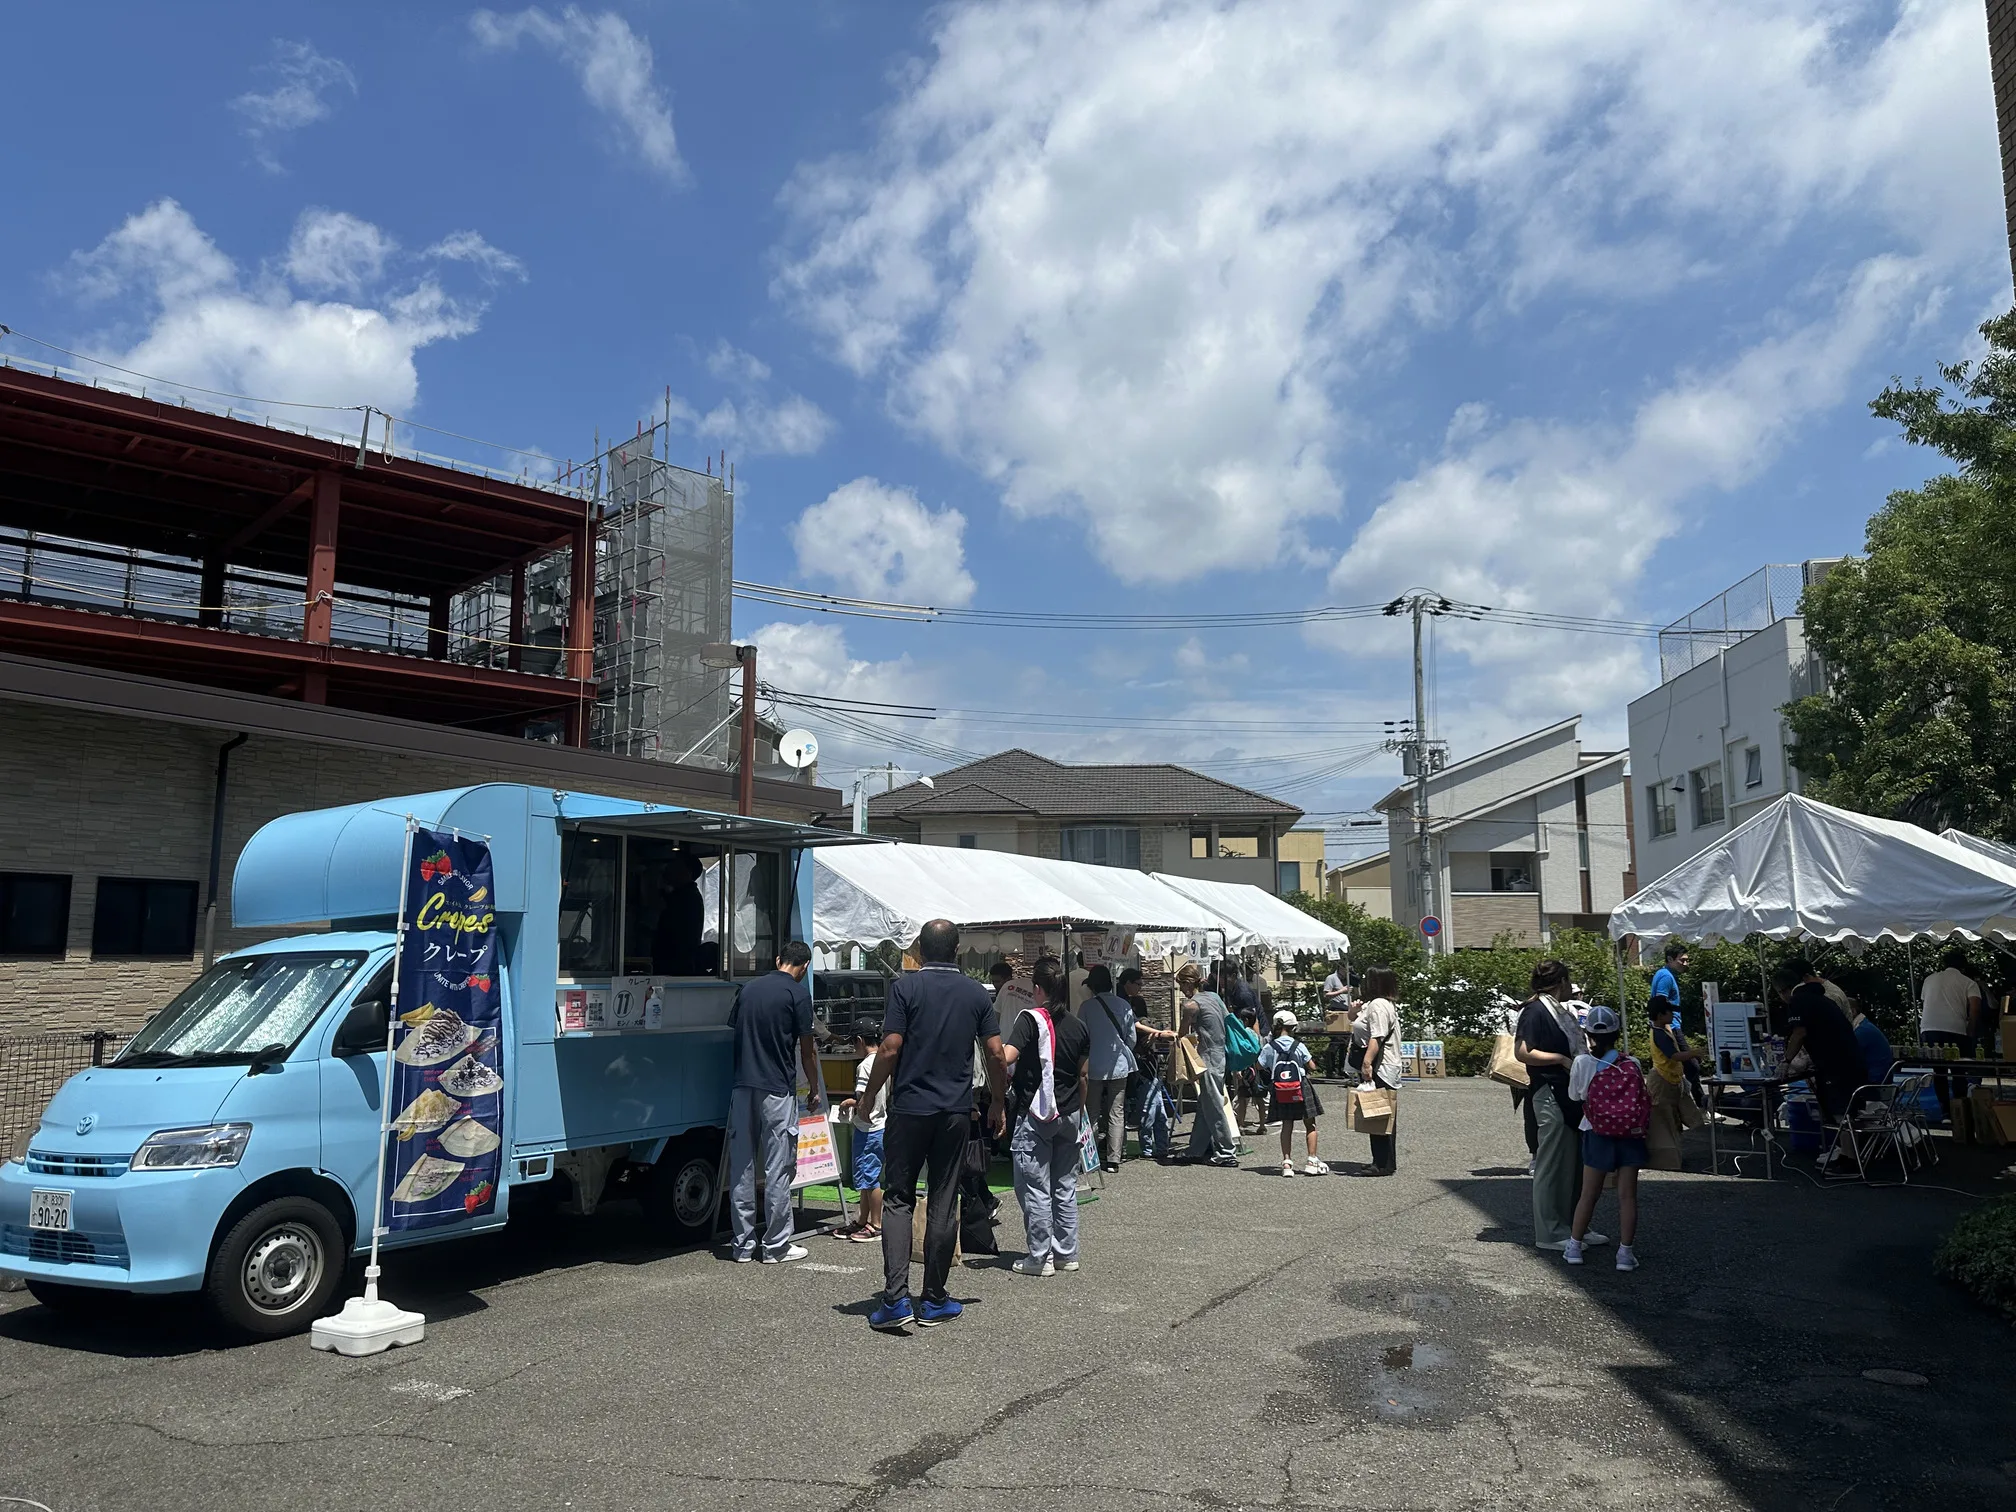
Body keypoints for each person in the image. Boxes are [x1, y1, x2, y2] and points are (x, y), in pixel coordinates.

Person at [856, 919, 1007, 1332]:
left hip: (909, 1110)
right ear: (957, 951)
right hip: (954, 1112)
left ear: (920, 950)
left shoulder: (905, 988)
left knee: (898, 1199)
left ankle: (894, 1298)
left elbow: (889, 1048)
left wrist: (869, 1096)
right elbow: (995, 1053)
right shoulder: (975, 993)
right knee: (942, 1199)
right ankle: (935, 1298)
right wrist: (997, 1101)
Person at [726, 941, 822, 1265]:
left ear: (779, 959)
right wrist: (815, 1087)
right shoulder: (797, 995)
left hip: (741, 1087)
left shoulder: (748, 990)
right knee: (778, 1169)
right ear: (804, 966)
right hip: (777, 1090)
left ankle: (741, 1246)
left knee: (742, 1168)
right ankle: (776, 1246)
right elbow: (807, 1050)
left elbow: (735, 1032)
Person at [1002, 957, 1092, 1277]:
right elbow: (1084, 1077)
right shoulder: (1079, 1026)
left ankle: (1039, 1258)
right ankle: (1067, 1253)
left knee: (1035, 1187)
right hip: (1070, 1113)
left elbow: (1007, 1057)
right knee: (1064, 1187)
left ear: (1038, 988)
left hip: (1037, 1114)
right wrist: (1079, 1112)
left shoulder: (1030, 1020)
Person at [1516, 958, 1602, 1251]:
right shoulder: (1535, 1010)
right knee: (1553, 1164)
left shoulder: (1554, 1010)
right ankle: (1551, 1231)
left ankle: (1576, 1225)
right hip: (1550, 1091)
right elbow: (1523, 1052)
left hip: (1568, 1093)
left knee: (1574, 1163)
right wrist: (1562, 1059)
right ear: (1561, 981)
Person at [1565, 1007, 1645, 1272]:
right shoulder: (1632, 1063)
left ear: (1588, 1034)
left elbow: (1575, 1097)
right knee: (1627, 1196)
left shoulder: (1581, 1063)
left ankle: (1575, 1247)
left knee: (1589, 1193)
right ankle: (1625, 1254)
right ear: (1617, 1033)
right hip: (1630, 1135)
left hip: (1596, 1132)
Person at [1774, 957, 1867, 1164]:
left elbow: (1799, 1033)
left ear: (1784, 990)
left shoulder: (1799, 1001)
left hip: (1836, 1063)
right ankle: (1849, 1155)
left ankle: (1850, 1160)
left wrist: (1786, 1061)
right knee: (1847, 1111)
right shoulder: (1821, 996)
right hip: (1851, 1059)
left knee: (1841, 1112)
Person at [1644, 947, 1703, 1173]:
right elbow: (1659, 1000)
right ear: (1670, 959)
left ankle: (1696, 1107)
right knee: (1693, 1068)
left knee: (1689, 1073)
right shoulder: (1665, 976)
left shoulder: (1668, 975)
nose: (1686, 963)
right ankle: (1701, 1104)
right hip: (1671, 1035)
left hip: (1670, 1073)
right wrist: (1668, 1025)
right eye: (1682, 960)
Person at [1178, 963, 1238, 1166]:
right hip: (1221, 1054)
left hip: (1208, 1057)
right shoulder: (1215, 997)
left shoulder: (1191, 1005)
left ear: (1188, 984)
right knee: (1207, 1103)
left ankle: (1227, 1152)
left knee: (1213, 1105)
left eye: (1180, 985)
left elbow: (1182, 1033)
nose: (1180, 990)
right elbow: (1226, 1020)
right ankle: (1195, 1149)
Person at [1080, 964, 1138, 1171]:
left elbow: (1081, 1037)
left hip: (1093, 1064)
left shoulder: (1086, 1007)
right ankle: (1114, 1159)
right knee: (1117, 1111)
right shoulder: (1123, 1005)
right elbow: (1131, 1038)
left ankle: (1090, 1157)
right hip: (1119, 1063)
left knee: (1092, 1111)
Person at [834, 1024, 887, 1245]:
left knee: (870, 1178)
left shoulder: (865, 1065)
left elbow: (866, 1097)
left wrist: (850, 1103)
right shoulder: (884, 1062)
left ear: (859, 1040)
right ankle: (863, 1219)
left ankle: (876, 1224)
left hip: (868, 1127)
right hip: (881, 1124)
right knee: (866, 1178)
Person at [1259, 1009, 1327, 1176]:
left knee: (1286, 1125)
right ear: (1293, 1027)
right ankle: (1312, 1160)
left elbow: (1259, 1065)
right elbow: (1312, 1066)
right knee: (1310, 1123)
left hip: (1280, 1088)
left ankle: (1287, 1164)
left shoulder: (1270, 1046)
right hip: (1300, 1086)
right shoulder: (1299, 1045)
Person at [1920, 947, 1986, 1118]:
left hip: (1930, 1028)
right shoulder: (1968, 983)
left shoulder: (1929, 979)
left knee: (1938, 1070)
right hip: (1955, 1029)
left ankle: (1945, 1108)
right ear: (1963, 967)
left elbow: (1926, 1001)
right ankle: (1960, 1107)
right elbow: (1975, 1009)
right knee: (1958, 1071)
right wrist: (1970, 1031)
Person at [1351, 968, 1403, 1175]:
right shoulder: (1382, 1004)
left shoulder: (1379, 1005)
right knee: (1380, 1114)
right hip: (1384, 1065)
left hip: (1382, 1066)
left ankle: (1382, 1164)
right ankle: (1382, 1160)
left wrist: (1367, 1063)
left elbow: (1377, 1036)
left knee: (1379, 1114)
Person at [1850, 1000, 1895, 1087]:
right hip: (1881, 1079)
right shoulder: (1866, 1026)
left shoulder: (1861, 1031)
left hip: (1873, 1082)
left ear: (1852, 1012)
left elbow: (1849, 1057)